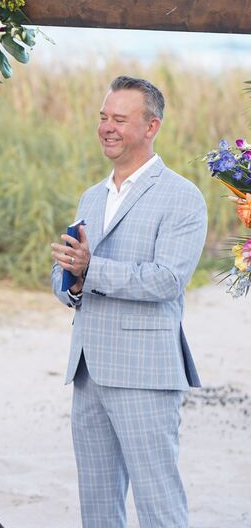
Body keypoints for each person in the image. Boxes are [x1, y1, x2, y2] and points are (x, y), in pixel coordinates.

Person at [50, 76, 207, 528]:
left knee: (159, 506)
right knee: (98, 509)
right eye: (103, 117)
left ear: (151, 126)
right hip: (88, 371)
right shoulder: (91, 196)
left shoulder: (182, 196)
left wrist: (91, 270)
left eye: (119, 119)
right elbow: (68, 276)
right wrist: (72, 283)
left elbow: (168, 280)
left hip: (145, 372)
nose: (106, 127)